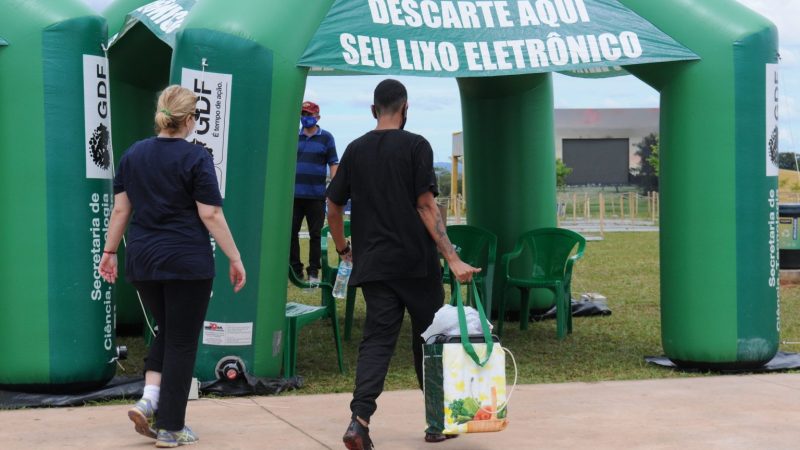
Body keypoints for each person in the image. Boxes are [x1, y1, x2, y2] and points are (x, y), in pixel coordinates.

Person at [326, 79, 480, 450]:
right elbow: (426, 205)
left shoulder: (355, 149)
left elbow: (332, 206)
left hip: (375, 265)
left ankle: (359, 421)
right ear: (405, 107)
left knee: (377, 342)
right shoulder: (416, 146)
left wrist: (344, 246)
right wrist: (453, 258)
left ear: (373, 109)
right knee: (429, 341)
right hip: (415, 264)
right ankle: (436, 423)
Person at [99, 85, 246, 448]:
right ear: (191, 119)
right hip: (186, 262)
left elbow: (121, 209)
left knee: (167, 330)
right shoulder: (196, 157)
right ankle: (172, 426)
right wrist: (235, 256)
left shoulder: (133, 154)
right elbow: (210, 213)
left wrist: (109, 251)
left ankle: (150, 400)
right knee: (182, 341)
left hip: (144, 260)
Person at [291, 101, 338, 283]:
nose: (306, 117)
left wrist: (332, 189)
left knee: (315, 235)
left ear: (317, 117)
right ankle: (296, 270)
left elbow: (333, 163)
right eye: (303, 114)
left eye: (309, 114)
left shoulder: (326, 138)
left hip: (317, 195)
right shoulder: (294, 137)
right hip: (294, 196)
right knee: (292, 233)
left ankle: (313, 271)